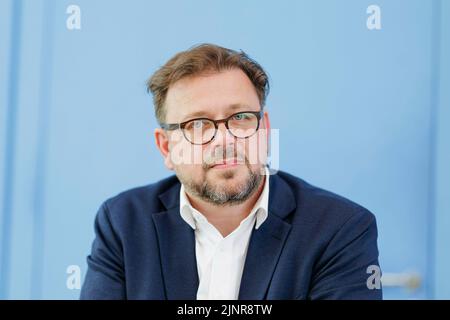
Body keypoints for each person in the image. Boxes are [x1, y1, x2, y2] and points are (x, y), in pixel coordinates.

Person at [80, 43, 382, 300]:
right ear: (166, 148)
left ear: (263, 130)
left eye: (239, 117)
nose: (225, 139)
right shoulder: (123, 222)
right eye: (197, 124)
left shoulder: (340, 228)